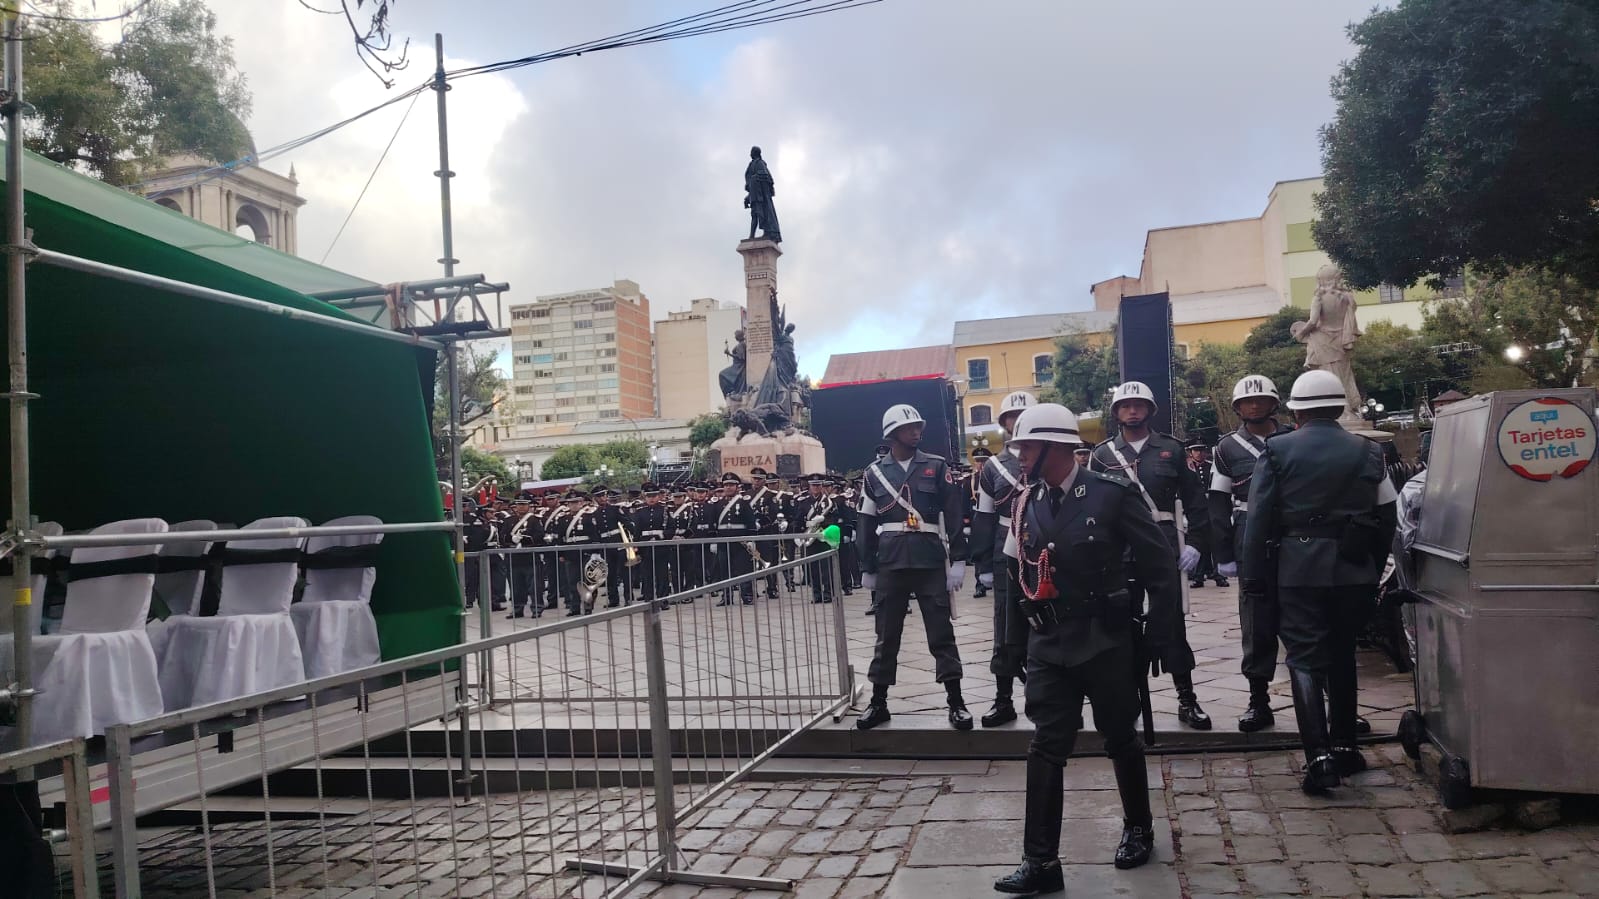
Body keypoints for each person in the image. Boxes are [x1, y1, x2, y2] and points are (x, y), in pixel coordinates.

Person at [993, 403, 1175, 893]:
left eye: (1027, 447)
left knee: (1119, 737)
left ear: (1055, 447)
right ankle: (1040, 862)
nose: (1019, 455)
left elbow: (1159, 568)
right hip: (1048, 643)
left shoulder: (1111, 494)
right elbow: (1014, 578)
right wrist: (1010, 647)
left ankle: (1139, 828)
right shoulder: (1024, 502)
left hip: (1104, 640)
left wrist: (1162, 636)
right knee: (1046, 746)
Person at [1241, 369, 1398, 794]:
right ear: (1339, 408)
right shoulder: (1369, 451)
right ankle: (1345, 746)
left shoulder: (1276, 450)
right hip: (1353, 569)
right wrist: (1372, 568)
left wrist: (1254, 576)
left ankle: (1319, 758)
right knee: (1343, 654)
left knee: (1305, 659)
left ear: (1296, 413)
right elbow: (1387, 515)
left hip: (1298, 568)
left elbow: (1258, 518)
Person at [1089, 380, 1211, 730]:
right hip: (1120, 551)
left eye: (1139, 405)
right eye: (1125, 406)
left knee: (1172, 624)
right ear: (1116, 412)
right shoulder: (1102, 455)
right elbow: (1092, 506)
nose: (1132, 411)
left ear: (1150, 410)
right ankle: (1124, 701)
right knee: (1120, 626)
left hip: (1163, 548)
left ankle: (1187, 698)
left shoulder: (1172, 449)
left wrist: (1196, 543)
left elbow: (1196, 501)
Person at [856, 403, 972, 731]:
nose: (917, 431)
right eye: (909, 428)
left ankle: (956, 701)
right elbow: (865, 521)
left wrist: (959, 559)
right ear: (892, 434)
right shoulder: (874, 473)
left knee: (941, 633)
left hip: (929, 560)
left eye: (918, 426)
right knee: (886, 635)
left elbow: (953, 513)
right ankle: (879, 702)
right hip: (890, 562)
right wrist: (867, 565)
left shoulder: (936, 466)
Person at [1208, 375, 1292, 732]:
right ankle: (1259, 701)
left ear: (1274, 403)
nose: (1254, 406)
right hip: (1249, 537)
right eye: (1247, 402)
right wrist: (1223, 552)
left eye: (1260, 400)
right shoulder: (1226, 448)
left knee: (1307, 617)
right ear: (1237, 408)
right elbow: (1218, 501)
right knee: (1256, 620)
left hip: (1293, 533)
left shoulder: (1294, 437)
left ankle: (1327, 699)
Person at [969, 390, 1037, 729]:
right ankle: (1003, 699)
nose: (1018, 421)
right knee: (1005, 625)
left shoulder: (1048, 456)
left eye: (1024, 415)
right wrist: (981, 564)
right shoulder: (993, 467)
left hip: (1044, 547)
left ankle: (1048, 699)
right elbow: (983, 517)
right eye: (1012, 416)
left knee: (1049, 624)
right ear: (1004, 423)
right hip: (1004, 549)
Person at [711, 472, 758, 606]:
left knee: (744, 569)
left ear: (737, 487)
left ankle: (747, 595)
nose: (728, 487)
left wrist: (751, 540)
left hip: (741, 543)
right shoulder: (718, 504)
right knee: (724, 571)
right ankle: (726, 596)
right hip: (723, 542)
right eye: (726, 485)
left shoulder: (743, 502)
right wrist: (713, 541)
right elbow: (713, 524)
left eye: (731, 485)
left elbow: (751, 522)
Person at [1183, 441, 1225, 589]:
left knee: (1216, 542)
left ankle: (1219, 575)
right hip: (1195, 509)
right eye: (1196, 450)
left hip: (1212, 509)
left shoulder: (1211, 467)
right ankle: (1198, 576)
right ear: (1191, 452)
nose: (1199, 453)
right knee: (1199, 543)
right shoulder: (1187, 468)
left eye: (1201, 450)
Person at [632, 483, 674, 604]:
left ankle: (663, 599)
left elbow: (671, 528)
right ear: (645, 497)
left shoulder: (665, 510)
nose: (651, 498)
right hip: (645, 547)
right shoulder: (640, 512)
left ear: (658, 496)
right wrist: (636, 546)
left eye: (654, 496)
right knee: (647, 575)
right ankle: (648, 599)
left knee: (662, 575)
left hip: (660, 546)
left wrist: (661, 536)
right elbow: (637, 531)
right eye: (649, 496)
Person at [507, 497, 542, 619]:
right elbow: (502, 536)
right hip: (515, 558)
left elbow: (539, 536)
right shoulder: (509, 520)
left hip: (530, 558)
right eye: (519, 504)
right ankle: (517, 609)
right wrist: (512, 540)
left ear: (528, 506)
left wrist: (524, 540)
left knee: (534, 586)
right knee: (516, 587)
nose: (521, 507)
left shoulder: (534, 520)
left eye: (524, 504)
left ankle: (537, 608)